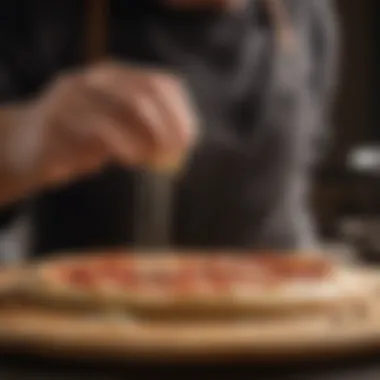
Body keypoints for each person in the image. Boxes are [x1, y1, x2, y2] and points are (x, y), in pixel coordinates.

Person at [0, 0, 338, 262]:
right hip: (94, 331)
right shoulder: (40, 12)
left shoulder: (308, 13)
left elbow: (307, 170)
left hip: (285, 323)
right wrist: (24, 137)